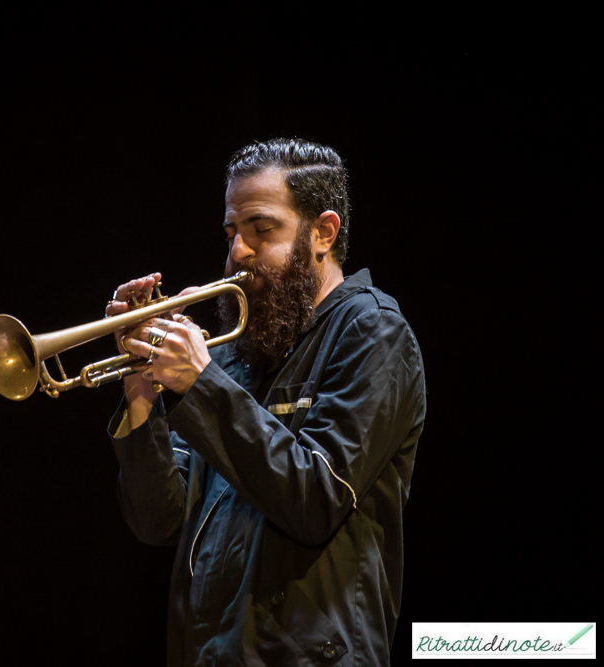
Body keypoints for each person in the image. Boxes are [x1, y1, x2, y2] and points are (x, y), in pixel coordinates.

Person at [104, 138, 426, 666]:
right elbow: (157, 520)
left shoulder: (373, 333)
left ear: (323, 232)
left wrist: (202, 383)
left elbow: (316, 501)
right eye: (232, 232)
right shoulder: (237, 355)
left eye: (262, 229)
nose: (238, 251)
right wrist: (142, 383)